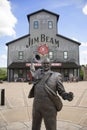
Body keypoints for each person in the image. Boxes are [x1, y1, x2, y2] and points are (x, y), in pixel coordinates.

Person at [28, 57, 74, 130]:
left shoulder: (56, 76)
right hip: (36, 106)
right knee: (35, 127)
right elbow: (32, 71)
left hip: (49, 107)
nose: (46, 65)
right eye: (44, 63)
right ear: (41, 64)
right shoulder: (37, 74)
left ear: (50, 64)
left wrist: (66, 95)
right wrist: (32, 62)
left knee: (51, 128)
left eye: (47, 63)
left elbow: (61, 91)